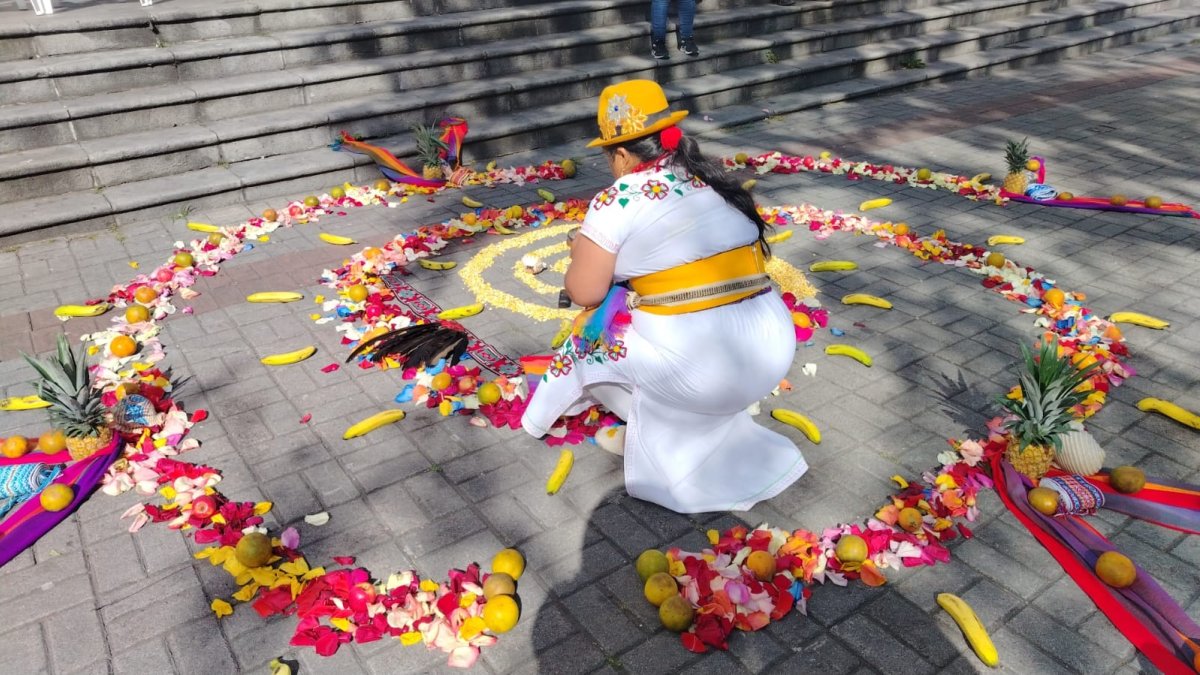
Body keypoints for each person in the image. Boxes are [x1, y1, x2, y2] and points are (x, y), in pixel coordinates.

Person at [520, 80, 808, 514]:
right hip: (768, 352)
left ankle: (535, 421)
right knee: (642, 330)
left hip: (707, 371)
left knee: (585, 340)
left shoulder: (619, 198)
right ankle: (660, 425)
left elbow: (583, 292)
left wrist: (581, 247)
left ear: (619, 154)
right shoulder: (711, 178)